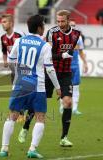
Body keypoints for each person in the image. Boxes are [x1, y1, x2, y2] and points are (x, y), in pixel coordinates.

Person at [0, 14, 61, 159]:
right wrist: (58, 87)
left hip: (20, 85)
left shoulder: (19, 41)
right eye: (43, 26)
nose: (44, 28)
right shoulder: (44, 45)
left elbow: (11, 60)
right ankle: (32, 149)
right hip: (37, 87)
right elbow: (50, 69)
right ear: (40, 27)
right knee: (40, 118)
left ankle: (4, 149)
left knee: (12, 116)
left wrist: (19, 75)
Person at [45, 10, 81, 147]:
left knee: (68, 102)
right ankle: (25, 126)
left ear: (68, 20)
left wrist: (68, 55)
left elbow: (71, 51)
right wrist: (62, 56)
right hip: (50, 71)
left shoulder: (76, 34)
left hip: (65, 73)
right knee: (39, 101)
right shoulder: (52, 33)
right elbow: (47, 56)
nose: (60, 24)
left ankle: (64, 137)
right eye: (58, 21)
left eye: (62, 21)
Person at [0, 13, 34, 144]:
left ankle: (21, 112)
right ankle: (19, 113)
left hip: (24, 68)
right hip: (13, 69)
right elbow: (4, 51)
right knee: (15, 90)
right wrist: (5, 61)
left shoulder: (19, 35)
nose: (2, 24)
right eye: (2, 22)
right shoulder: (3, 37)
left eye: (4, 22)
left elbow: (30, 46)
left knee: (23, 91)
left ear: (11, 23)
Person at [59, 20, 88, 115]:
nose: (73, 27)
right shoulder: (60, 38)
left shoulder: (78, 39)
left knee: (76, 87)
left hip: (75, 66)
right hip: (64, 66)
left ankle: (75, 108)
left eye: (74, 25)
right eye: (71, 25)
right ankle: (62, 106)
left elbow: (81, 52)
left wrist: (85, 63)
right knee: (63, 88)